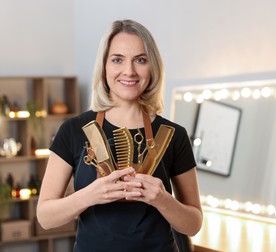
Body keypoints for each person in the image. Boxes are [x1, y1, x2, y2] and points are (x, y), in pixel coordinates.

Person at [37, 19, 203, 251]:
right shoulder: (73, 130)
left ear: (152, 67)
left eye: (140, 60)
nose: (129, 71)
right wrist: (89, 196)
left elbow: (193, 225)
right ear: (104, 66)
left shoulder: (174, 135)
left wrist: (163, 200)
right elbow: (45, 217)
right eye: (117, 60)